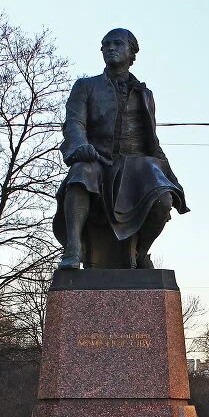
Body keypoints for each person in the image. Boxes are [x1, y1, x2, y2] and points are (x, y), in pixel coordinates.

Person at [54, 28, 187, 270]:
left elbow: (152, 141)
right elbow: (74, 123)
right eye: (106, 45)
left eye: (117, 44)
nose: (110, 48)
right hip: (97, 159)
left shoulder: (145, 94)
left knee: (163, 199)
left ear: (132, 53)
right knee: (81, 174)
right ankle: (73, 249)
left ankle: (140, 253)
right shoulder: (85, 86)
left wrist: (170, 177)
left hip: (137, 166)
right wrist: (81, 147)